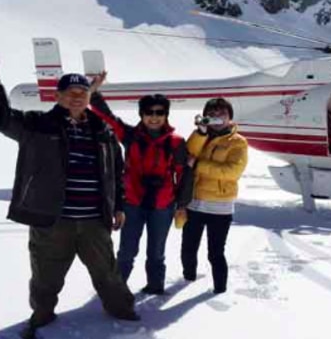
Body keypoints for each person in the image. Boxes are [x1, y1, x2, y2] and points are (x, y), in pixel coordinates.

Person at [0, 68, 139, 339]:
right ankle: (42, 314)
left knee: (108, 273)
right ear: (57, 96)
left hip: (95, 221)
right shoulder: (37, 125)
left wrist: (118, 205)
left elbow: (115, 174)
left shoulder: (102, 131)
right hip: (52, 223)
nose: (76, 97)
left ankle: (122, 310)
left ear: (89, 96)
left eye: (82, 93)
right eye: (69, 93)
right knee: (45, 278)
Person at [88, 71, 191, 295]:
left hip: (162, 206)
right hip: (132, 203)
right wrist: (94, 93)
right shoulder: (130, 135)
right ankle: (116, 289)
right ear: (141, 114)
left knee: (156, 252)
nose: (154, 117)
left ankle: (155, 287)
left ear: (166, 115)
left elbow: (184, 175)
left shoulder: (176, 142)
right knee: (126, 251)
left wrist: (182, 204)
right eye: (148, 112)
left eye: (159, 112)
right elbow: (108, 118)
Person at [180, 97, 248, 294]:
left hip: (220, 206)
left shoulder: (238, 142)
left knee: (215, 253)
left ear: (230, 117)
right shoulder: (201, 136)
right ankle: (187, 279)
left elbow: (232, 172)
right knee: (188, 248)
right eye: (212, 114)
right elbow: (188, 153)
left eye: (222, 113)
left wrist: (199, 165)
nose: (217, 117)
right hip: (194, 202)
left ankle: (220, 290)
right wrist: (200, 132)